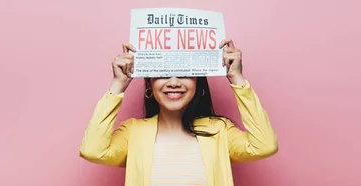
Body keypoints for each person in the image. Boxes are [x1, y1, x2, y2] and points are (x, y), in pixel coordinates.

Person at [79, 40, 278, 186]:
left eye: (183, 73)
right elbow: (93, 151)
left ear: (198, 85)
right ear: (149, 85)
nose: (173, 82)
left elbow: (264, 146)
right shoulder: (134, 132)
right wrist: (118, 85)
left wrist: (237, 78)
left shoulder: (219, 131)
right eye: (163, 74)